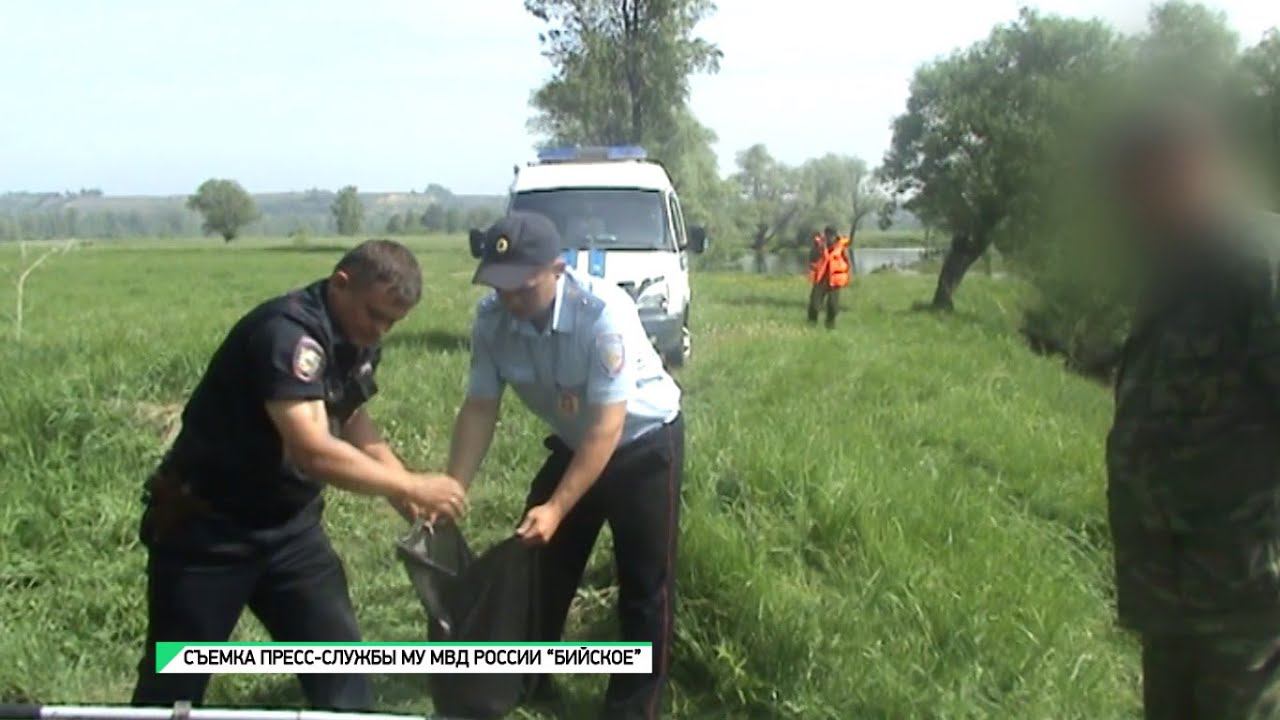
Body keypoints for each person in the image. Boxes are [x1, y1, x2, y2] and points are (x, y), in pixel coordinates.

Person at [130, 239, 467, 711]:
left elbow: (349, 417)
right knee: (173, 684)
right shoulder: (286, 334)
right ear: (340, 283)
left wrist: (402, 492)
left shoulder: (357, 340)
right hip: (207, 529)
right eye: (374, 314)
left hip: (291, 531)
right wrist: (409, 484)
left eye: (393, 322)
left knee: (342, 671)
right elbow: (311, 450)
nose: (379, 331)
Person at [445, 211, 685, 720]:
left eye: (521, 287)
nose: (510, 300)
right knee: (540, 565)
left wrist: (556, 507)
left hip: (643, 444)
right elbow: (480, 407)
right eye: (498, 285)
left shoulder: (602, 313)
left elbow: (607, 428)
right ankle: (529, 679)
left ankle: (633, 705)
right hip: (578, 444)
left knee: (645, 583)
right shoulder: (491, 320)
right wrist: (452, 488)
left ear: (557, 269)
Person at [1103, 103, 1280, 719]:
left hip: (1247, 596)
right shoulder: (1176, 268)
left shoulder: (1258, 263)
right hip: (1172, 590)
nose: (1130, 205)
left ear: (1192, 168)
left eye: (1142, 183)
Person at [807, 225, 852, 328]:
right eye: (827, 235)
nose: (829, 238)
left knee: (832, 306)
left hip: (835, 281)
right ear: (825, 235)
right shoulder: (819, 245)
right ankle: (811, 323)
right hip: (820, 279)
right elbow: (812, 259)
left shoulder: (841, 248)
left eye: (831, 236)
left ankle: (830, 326)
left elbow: (847, 262)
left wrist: (846, 276)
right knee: (814, 304)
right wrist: (817, 248)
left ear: (835, 236)